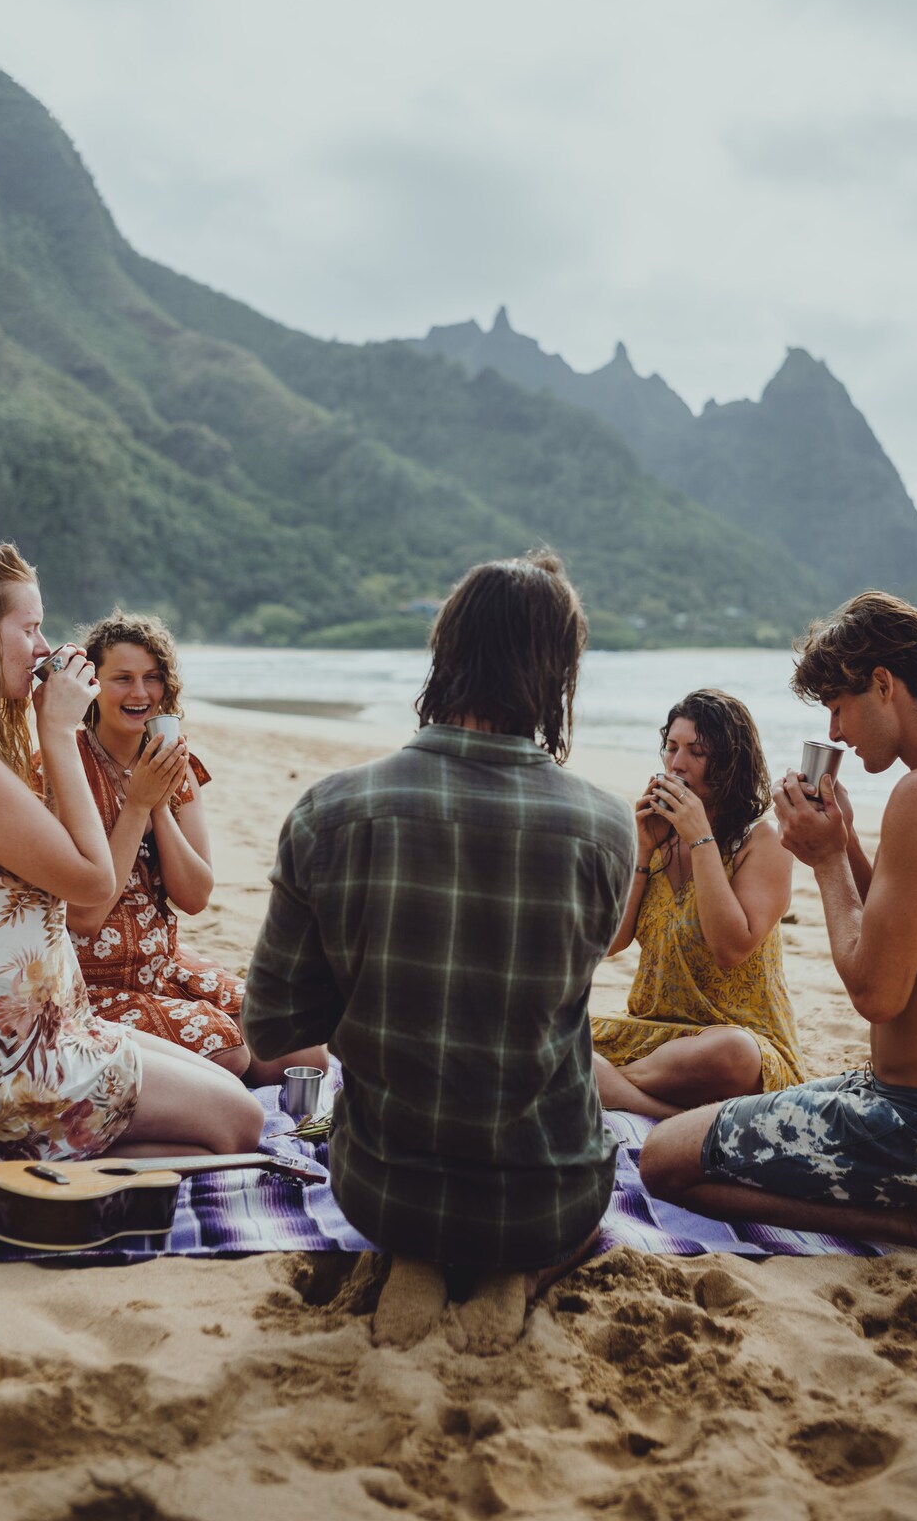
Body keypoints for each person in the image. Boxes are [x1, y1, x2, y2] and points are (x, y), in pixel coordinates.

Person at [244, 551, 635, 1347]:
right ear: (556, 674)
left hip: (387, 1186)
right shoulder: (605, 828)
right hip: (548, 1188)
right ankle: (511, 1272)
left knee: (410, 1152)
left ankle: (414, 1256)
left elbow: (271, 1028)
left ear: (445, 653)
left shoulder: (332, 811)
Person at [639, 591, 917, 1269]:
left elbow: (877, 992)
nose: (837, 733)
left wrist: (822, 862)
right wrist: (841, 842)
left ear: (884, 684)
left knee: (666, 1157)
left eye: (838, 708)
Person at [0, 545, 262, 1176]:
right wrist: (59, 733)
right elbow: (94, 882)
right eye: (30, 628)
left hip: (41, 1030)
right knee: (241, 1125)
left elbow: (192, 892)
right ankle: (15, 1168)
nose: (45, 649)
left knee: (234, 1085)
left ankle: (40, 1158)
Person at [63, 611, 325, 1086]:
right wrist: (137, 804)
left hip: (163, 965)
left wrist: (158, 804)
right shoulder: (64, 766)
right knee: (229, 1052)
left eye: (152, 678)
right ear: (93, 686)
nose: (140, 693)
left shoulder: (176, 765)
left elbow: (195, 896)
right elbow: (84, 914)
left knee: (301, 1049)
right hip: (89, 981)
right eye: (122, 678)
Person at [591, 689, 804, 1117]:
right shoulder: (657, 839)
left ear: (729, 764)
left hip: (732, 1040)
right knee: (549, 1030)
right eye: (671, 747)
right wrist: (643, 849)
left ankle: (601, 1088)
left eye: (697, 751)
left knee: (732, 1055)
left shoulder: (762, 841)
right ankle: (662, 1112)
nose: (676, 764)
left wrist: (700, 836)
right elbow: (610, 942)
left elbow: (731, 947)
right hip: (649, 1035)